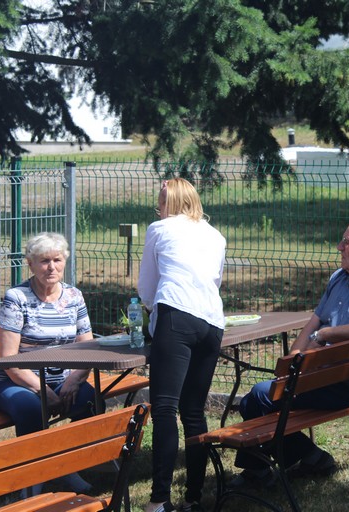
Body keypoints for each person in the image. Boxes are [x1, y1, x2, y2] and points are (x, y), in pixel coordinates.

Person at [230, 217, 349, 486]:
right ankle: (308, 458)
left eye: (346, 242)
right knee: (262, 396)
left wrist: (328, 334)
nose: (339, 247)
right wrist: (293, 361)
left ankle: (271, 468)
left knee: (257, 398)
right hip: (322, 377)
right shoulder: (339, 278)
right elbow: (315, 321)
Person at [138, 178, 227, 512]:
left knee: (164, 409)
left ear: (168, 204)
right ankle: (193, 496)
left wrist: (153, 314)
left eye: (160, 202)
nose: (157, 209)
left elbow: (147, 287)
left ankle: (159, 499)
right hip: (212, 321)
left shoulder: (159, 229)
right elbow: (215, 280)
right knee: (193, 411)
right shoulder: (215, 235)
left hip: (176, 315)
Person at [0, 232, 95, 496]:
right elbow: (8, 360)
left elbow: (88, 348)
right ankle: (32, 480)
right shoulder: (17, 298)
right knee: (31, 409)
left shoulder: (74, 296)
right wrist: (43, 389)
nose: (51, 267)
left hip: (63, 380)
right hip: (17, 381)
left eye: (57, 260)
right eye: (44, 261)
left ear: (65, 261)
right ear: (31, 264)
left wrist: (75, 379)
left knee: (90, 400)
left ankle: (66, 463)